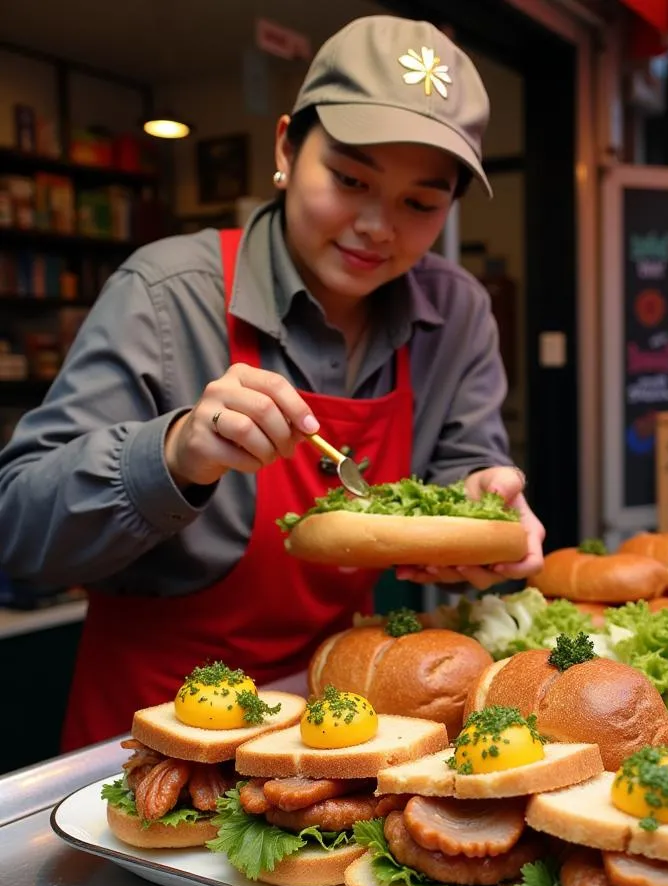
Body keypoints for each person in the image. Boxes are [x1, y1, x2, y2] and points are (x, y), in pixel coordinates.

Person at [0, 15, 545, 752]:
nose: (377, 227)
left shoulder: (457, 313)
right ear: (286, 147)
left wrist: (489, 519)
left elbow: (463, 476)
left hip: (337, 721)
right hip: (153, 728)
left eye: (421, 202)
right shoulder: (165, 292)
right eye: (350, 179)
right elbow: (19, 533)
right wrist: (177, 453)